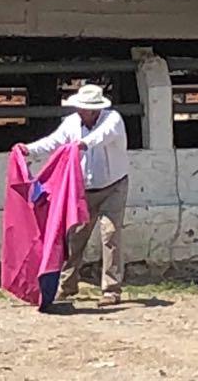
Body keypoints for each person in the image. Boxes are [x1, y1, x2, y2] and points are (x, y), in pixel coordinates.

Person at [16, 83, 128, 307]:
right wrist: (28, 149)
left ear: (96, 109)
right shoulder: (71, 123)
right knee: (75, 236)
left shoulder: (113, 119)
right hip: (83, 189)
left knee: (110, 234)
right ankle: (67, 284)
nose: (81, 111)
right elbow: (54, 141)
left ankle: (111, 289)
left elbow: (102, 136)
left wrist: (82, 144)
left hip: (113, 185)